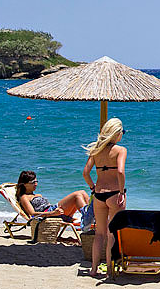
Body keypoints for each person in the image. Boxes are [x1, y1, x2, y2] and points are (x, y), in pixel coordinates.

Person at [83, 117, 127, 277]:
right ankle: (109, 269)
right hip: (115, 194)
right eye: (122, 132)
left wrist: (93, 188)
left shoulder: (96, 150)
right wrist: (121, 191)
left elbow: (85, 173)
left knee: (99, 234)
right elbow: (120, 172)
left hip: (99, 194)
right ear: (116, 133)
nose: (122, 135)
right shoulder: (121, 150)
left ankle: (94, 269)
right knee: (112, 234)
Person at [16, 170, 90, 221]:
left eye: (36, 181)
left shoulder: (36, 195)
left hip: (55, 211)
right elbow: (32, 214)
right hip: (51, 214)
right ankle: (89, 217)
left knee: (82, 192)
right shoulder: (24, 197)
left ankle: (93, 214)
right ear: (25, 184)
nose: (36, 184)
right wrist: (52, 213)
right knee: (77, 195)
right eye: (33, 182)